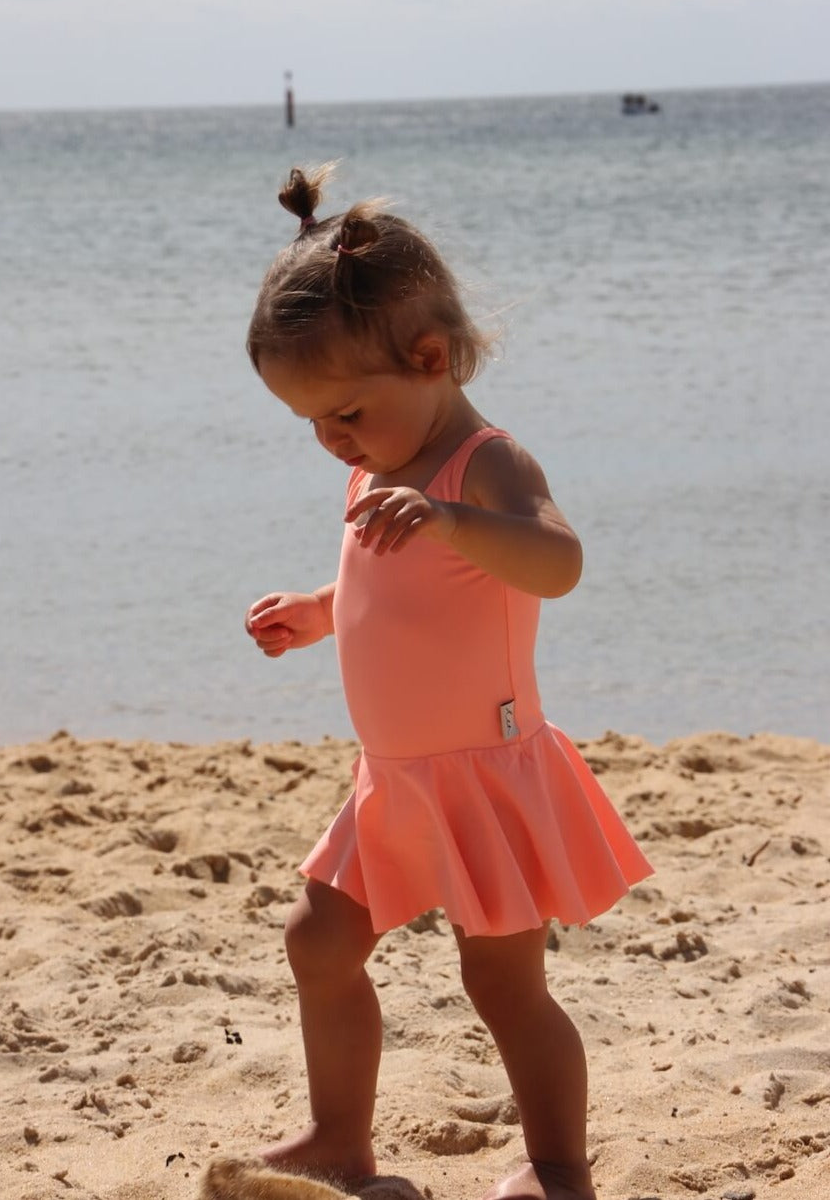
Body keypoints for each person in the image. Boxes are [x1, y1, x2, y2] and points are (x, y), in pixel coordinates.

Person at [243, 164, 653, 1200]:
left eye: (343, 411)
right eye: (312, 425)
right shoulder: (372, 469)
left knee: (502, 981)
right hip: (394, 776)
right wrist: (317, 610)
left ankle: (558, 1165)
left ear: (428, 358)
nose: (332, 439)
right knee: (316, 939)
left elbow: (557, 563)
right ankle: (342, 1135)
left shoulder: (484, 463)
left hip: (484, 772)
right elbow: (388, 585)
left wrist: (457, 519)